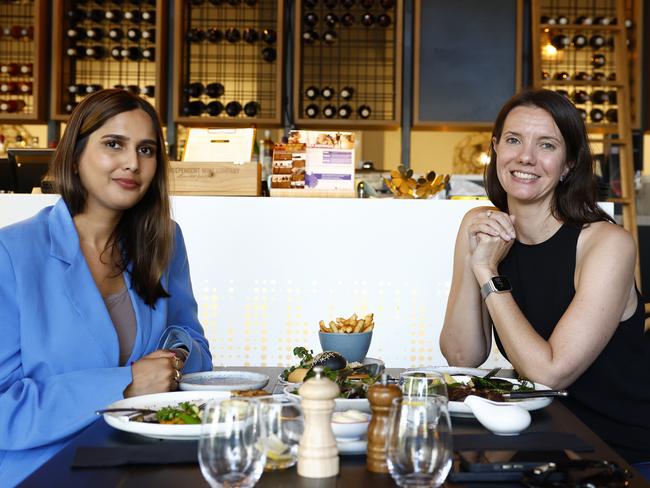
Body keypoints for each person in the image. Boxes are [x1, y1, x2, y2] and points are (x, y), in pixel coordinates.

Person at [0, 89, 213, 485]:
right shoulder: (11, 253)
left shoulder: (165, 240)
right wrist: (128, 382)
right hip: (43, 471)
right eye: (114, 144)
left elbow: (196, 345)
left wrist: (177, 360)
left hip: (146, 465)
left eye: (146, 150)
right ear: (75, 154)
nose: (133, 163)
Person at [440, 89, 650, 471]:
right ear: (496, 148)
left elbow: (551, 373)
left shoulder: (606, 244)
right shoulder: (480, 227)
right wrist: (475, 255)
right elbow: (462, 357)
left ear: (568, 164)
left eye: (547, 145)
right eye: (514, 140)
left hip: (622, 456)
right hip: (541, 444)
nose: (525, 157)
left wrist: (487, 272)